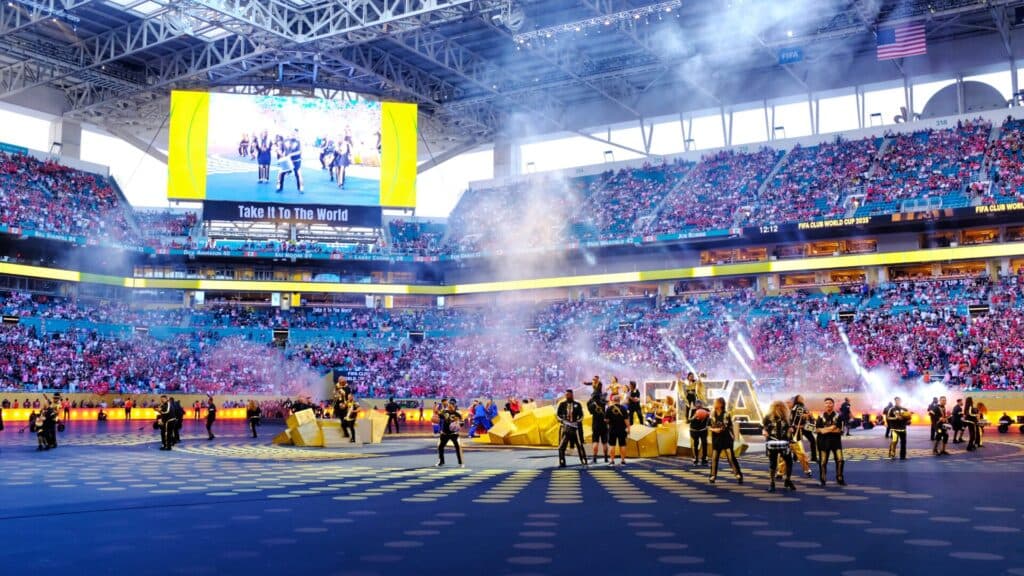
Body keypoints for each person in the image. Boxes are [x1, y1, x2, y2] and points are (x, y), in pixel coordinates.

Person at [708, 397, 742, 485]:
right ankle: (712, 476)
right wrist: (713, 429)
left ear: (720, 404)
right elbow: (708, 426)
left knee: (731, 458)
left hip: (726, 438)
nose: (714, 404)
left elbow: (725, 426)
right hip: (716, 439)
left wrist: (719, 430)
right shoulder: (712, 414)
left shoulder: (726, 414)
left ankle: (738, 475)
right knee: (714, 458)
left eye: (715, 402)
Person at [763, 400, 795, 492]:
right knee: (773, 463)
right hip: (772, 442)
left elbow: (790, 428)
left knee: (789, 462)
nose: (778, 408)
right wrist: (764, 431)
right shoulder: (768, 417)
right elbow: (763, 427)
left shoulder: (787, 418)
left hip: (784, 442)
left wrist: (791, 430)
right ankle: (772, 483)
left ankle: (788, 480)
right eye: (776, 406)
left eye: (780, 406)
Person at [816, 398, 846, 486]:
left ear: (833, 404)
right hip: (823, 441)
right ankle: (823, 479)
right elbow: (817, 429)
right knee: (823, 462)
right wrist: (832, 428)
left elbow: (840, 430)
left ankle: (839, 478)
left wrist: (824, 430)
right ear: (824, 405)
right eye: (826, 403)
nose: (828, 404)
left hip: (836, 441)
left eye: (830, 403)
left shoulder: (839, 416)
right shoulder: (820, 416)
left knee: (840, 460)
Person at [556, 389, 587, 468]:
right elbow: (557, 415)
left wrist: (577, 421)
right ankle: (562, 462)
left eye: (569, 395)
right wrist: (562, 420)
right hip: (566, 428)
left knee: (580, 445)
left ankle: (584, 460)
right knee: (561, 447)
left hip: (575, 429)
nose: (567, 396)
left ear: (572, 395)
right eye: (566, 395)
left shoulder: (577, 404)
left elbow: (581, 415)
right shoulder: (562, 404)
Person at [434, 398, 463, 467]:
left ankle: (460, 463)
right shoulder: (445, 412)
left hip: (453, 434)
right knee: (440, 447)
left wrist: (458, 424)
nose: (450, 406)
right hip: (445, 433)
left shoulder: (457, 413)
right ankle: (441, 461)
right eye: (449, 405)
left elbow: (462, 423)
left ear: (454, 406)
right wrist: (435, 406)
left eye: (452, 405)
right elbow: (437, 414)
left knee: (457, 447)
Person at [276, 129, 304, 193]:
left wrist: (291, 154)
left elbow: (300, 151)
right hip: (286, 161)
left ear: (297, 134)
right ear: (290, 133)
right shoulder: (285, 141)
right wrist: (280, 152)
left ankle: (300, 188)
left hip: (296, 161)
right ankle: (279, 187)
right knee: (281, 173)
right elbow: (280, 149)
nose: (293, 134)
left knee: (298, 174)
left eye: (294, 133)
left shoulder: (299, 142)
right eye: (292, 133)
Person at [605, 394, 629, 467]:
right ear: (619, 400)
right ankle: (623, 461)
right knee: (622, 445)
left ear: (613, 400)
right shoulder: (623, 408)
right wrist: (628, 428)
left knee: (612, 445)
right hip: (622, 429)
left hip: (612, 429)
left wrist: (609, 421)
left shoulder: (609, 408)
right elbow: (626, 420)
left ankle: (612, 461)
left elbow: (606, 420)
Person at [587, 389, 609, 465]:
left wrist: (590, 400)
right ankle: (606, 458)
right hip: (604, 424)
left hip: (595, 424)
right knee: (604, 442)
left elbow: (590, 411)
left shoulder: (592, 404)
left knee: (595, 441)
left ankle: (594, 458)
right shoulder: (603, 403)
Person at [688, 399, 709, 467]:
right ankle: (696, 459)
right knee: (695, 444)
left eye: (700, 405)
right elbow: (688, 420)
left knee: (704, 443)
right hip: (694, 430)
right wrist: (695, 416)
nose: (698, 406)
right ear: (695, 405)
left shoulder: (706, 410)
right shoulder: (692, 410)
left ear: (702, 405)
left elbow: (711, 418)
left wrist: (707, 415)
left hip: (703, 430)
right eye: (697, 405)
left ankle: (704, 459)